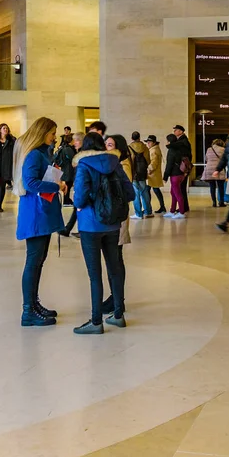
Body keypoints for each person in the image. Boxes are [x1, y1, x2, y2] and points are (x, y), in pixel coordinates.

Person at [72, 132, 135, 335]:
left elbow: (80, 199)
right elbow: (130, 193)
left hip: (90, 225)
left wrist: (80, 203)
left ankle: (96, 321)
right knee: (114, 269)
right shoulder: (115, 162)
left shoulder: (84, 165)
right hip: (113, 224)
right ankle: (118, 315)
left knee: (94, 275)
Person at [13, 117, 66, 327]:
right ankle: (28, 311)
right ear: (43, 133)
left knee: (39, 260)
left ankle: (34, 304)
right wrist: (57, 186)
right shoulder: (34, 154)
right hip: (35, 213)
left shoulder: (40, 152)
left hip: (39, 211)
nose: (55, 136)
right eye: (53, 132)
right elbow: (31, 182)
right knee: (33, 261)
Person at [103, 134, 132, 314]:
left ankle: (117, 299)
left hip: (118, 217)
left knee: (115, 260)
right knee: (112, 260)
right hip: (112, 217)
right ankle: (115, 296)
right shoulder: (111, 164)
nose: (107, 148)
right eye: (106, 144)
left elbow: (122, 193)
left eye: (111, 145)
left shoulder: (122, 166)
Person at [59, 132, 84, 238]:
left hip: (82, 186)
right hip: (79, 185)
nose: (74, 143)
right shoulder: (80, 153)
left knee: (79, 208)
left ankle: (71, 229)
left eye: (76, 140)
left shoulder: (83, 154)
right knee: (77, 208)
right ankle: (69, 229)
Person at [128, 131, 152, 220]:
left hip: (134, 173)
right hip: (142, 173)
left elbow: (129, 162)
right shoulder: (145, 147)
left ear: (132, 138)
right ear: (139, 137)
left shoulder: (129, 148)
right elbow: (148, 161)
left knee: (136, 193)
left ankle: (138, 214)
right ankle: (148, 212)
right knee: (144, 191)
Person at [162, 134, 187, 219]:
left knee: (177, 194)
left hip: (175, 175)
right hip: (181, 174)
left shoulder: (171, 150)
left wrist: (165, 177)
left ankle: (181, 212)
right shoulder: (180, 148)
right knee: (173, 193)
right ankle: (172, 211)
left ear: (169, 141)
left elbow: (169, 164)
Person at [173, 125, 192, 212]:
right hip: (184, 167)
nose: (174, 132)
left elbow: (185, 155)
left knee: (181, 187)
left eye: (176, 130)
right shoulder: (182, 140)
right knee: (182, 187)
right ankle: (185, 206)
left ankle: (184, 207)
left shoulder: (183, 141)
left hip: (183, 168)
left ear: (181, 131)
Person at [201, 139, 226, 207]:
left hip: (209, 169)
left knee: (212, 186)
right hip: (219, 169)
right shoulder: (223, 149)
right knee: (221, 187)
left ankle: (214, 202)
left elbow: (206, 159)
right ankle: (221, 202)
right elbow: (225, 159)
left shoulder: (209, 149)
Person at [146, 134, 166, 213]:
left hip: (152, 174)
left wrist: (149, 169)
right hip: (155, 174)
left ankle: (148, 207)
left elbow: (154, 162)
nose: (148, 143)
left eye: (149, 142)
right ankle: (161, 206)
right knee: (155, 190)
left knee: (149, 191)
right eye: (147, 142)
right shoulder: (156, 149)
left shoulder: (153, 150)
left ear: (154, 143)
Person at [53, 136, 76, 205]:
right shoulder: (68, 149)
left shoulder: (63, 147)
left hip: (65, 169)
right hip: (68, 169)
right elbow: (73, 158)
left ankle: (66, 199)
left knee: (67, 184)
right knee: (68, 185)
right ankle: (66, 199)